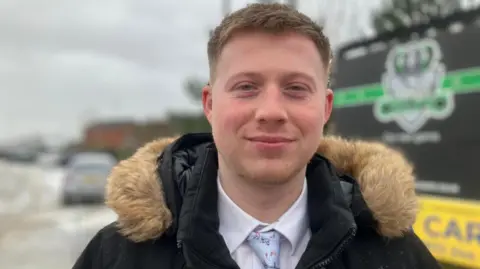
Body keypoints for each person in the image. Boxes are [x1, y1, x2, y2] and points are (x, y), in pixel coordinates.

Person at [73, 3, 441, 269]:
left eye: (296, 88)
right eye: (247, 86)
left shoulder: (397, 255)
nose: (271, 111)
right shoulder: (118, 256)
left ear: (326, 109)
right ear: (210, 104)